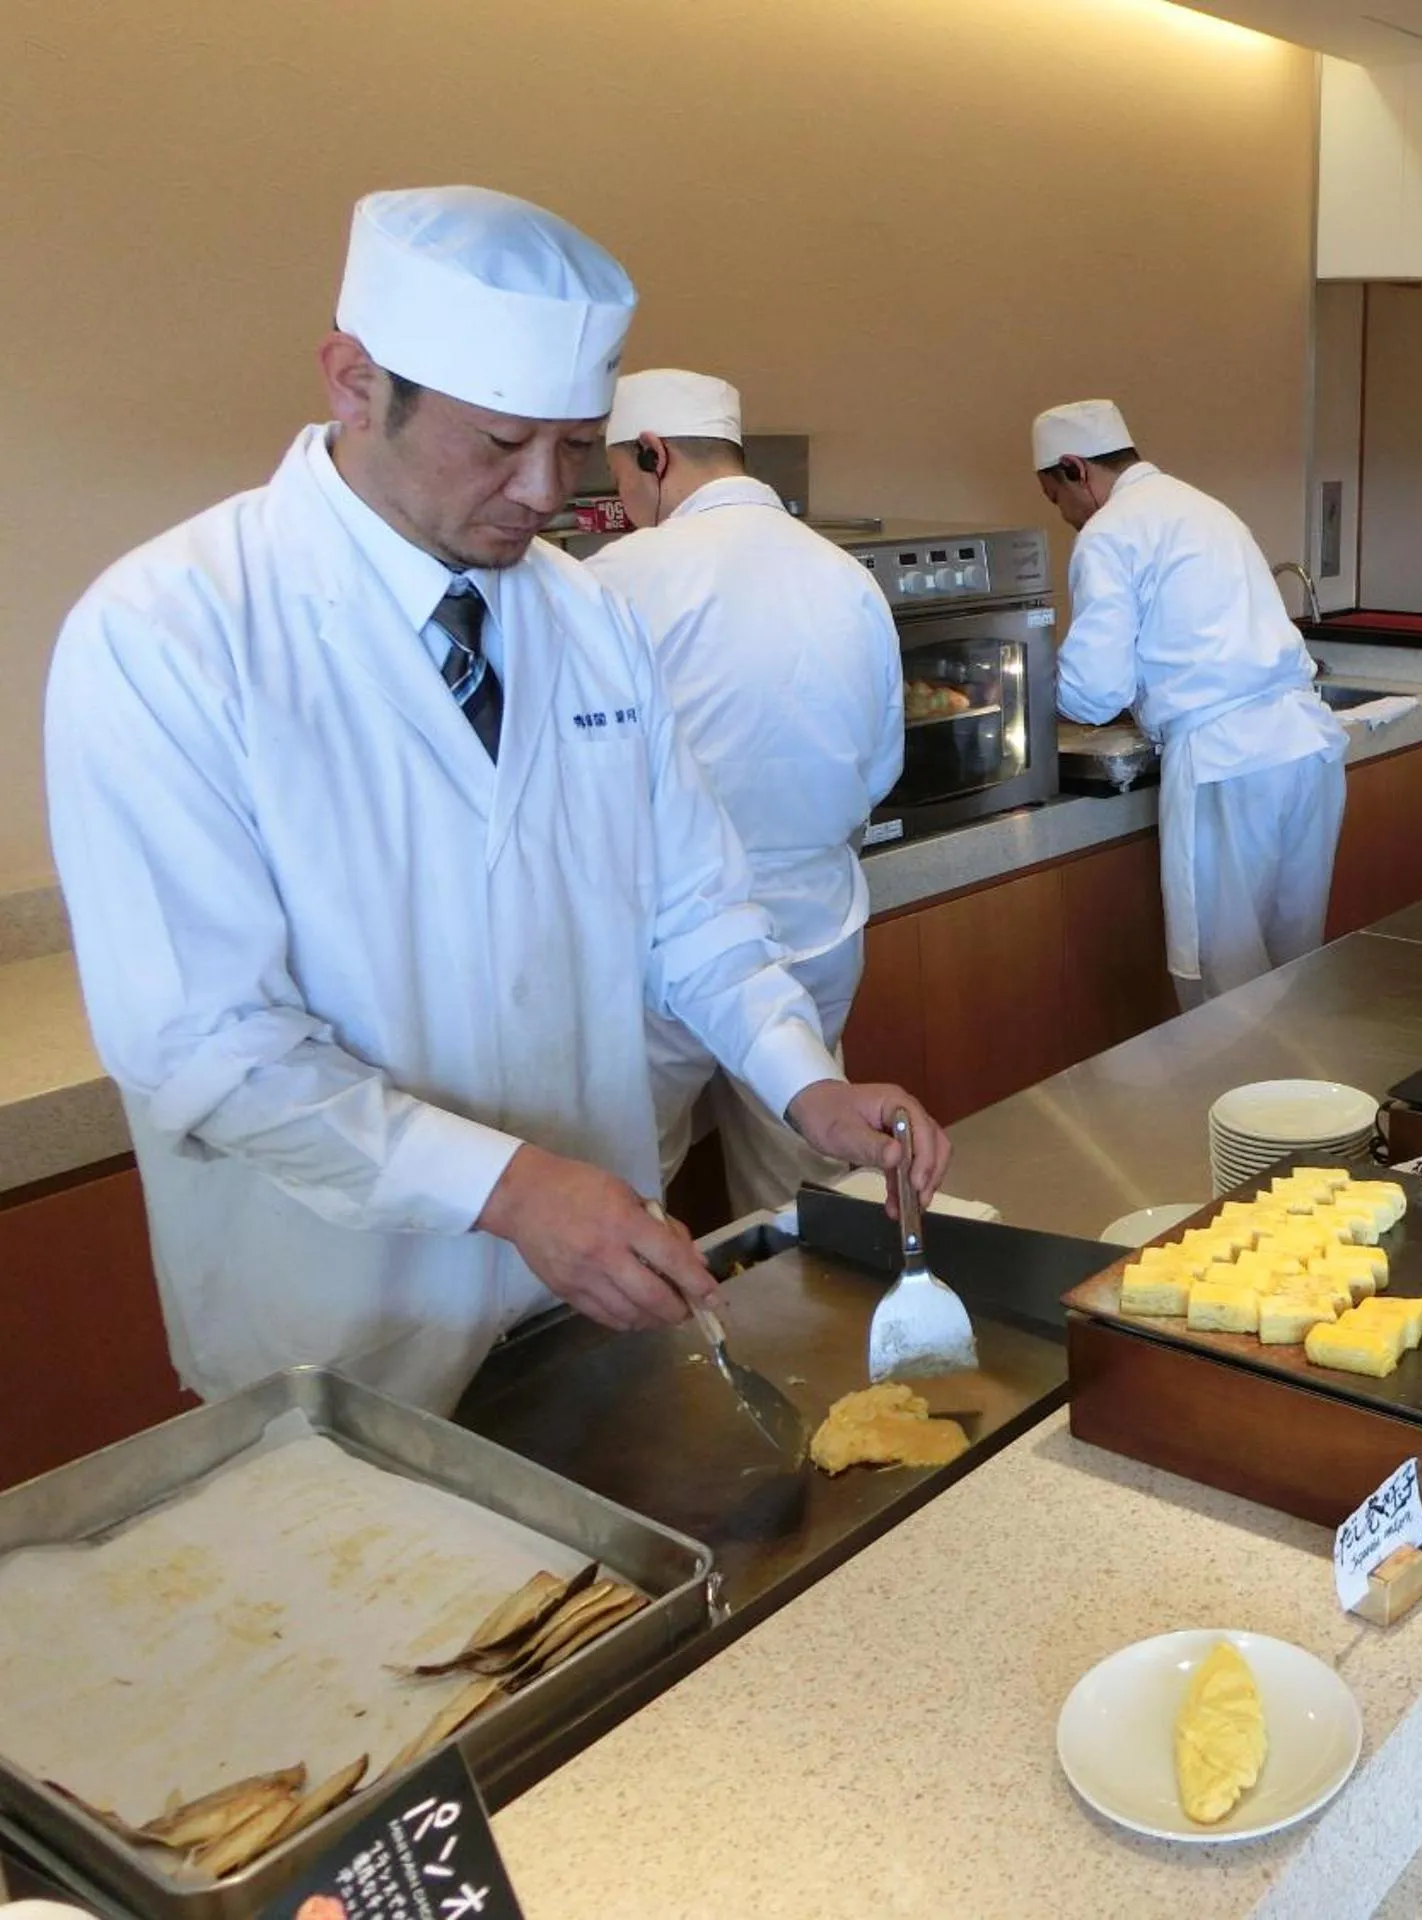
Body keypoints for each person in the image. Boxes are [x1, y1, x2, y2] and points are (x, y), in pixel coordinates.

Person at [44, 188, 947, 1416]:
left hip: (576, 1305)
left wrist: (804, 1081)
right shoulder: (170, 633)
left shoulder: (584, 617)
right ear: (354, 381)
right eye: (499, 442)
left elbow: (692, 907)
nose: (541, 491)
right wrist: (514, 1190)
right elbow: (209, 1047)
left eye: (575, 446)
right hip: (339, 1332)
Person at [584, 368, 905, 1218]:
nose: (620, 499)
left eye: (618, 474)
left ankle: (649, 1350)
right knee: (804, 1191)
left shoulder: (617, 576)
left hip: (663, 953)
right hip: (815, 928)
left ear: (652, 453)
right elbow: (881, 767)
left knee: (628, 1189)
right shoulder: (845, 574)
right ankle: (813, 1342)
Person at [1032, 398, 1347, 1009]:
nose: (1065, 516)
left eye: (1056, 498)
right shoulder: (1205, 508)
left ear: (1075, 469)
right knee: (1295, 968)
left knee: (1225, 985)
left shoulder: (1109, 533)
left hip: (1228, 765)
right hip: (1306, 747)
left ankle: (1236, 1103)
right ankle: (1304, 1099)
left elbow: (1093, 693)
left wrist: (1023, 683)